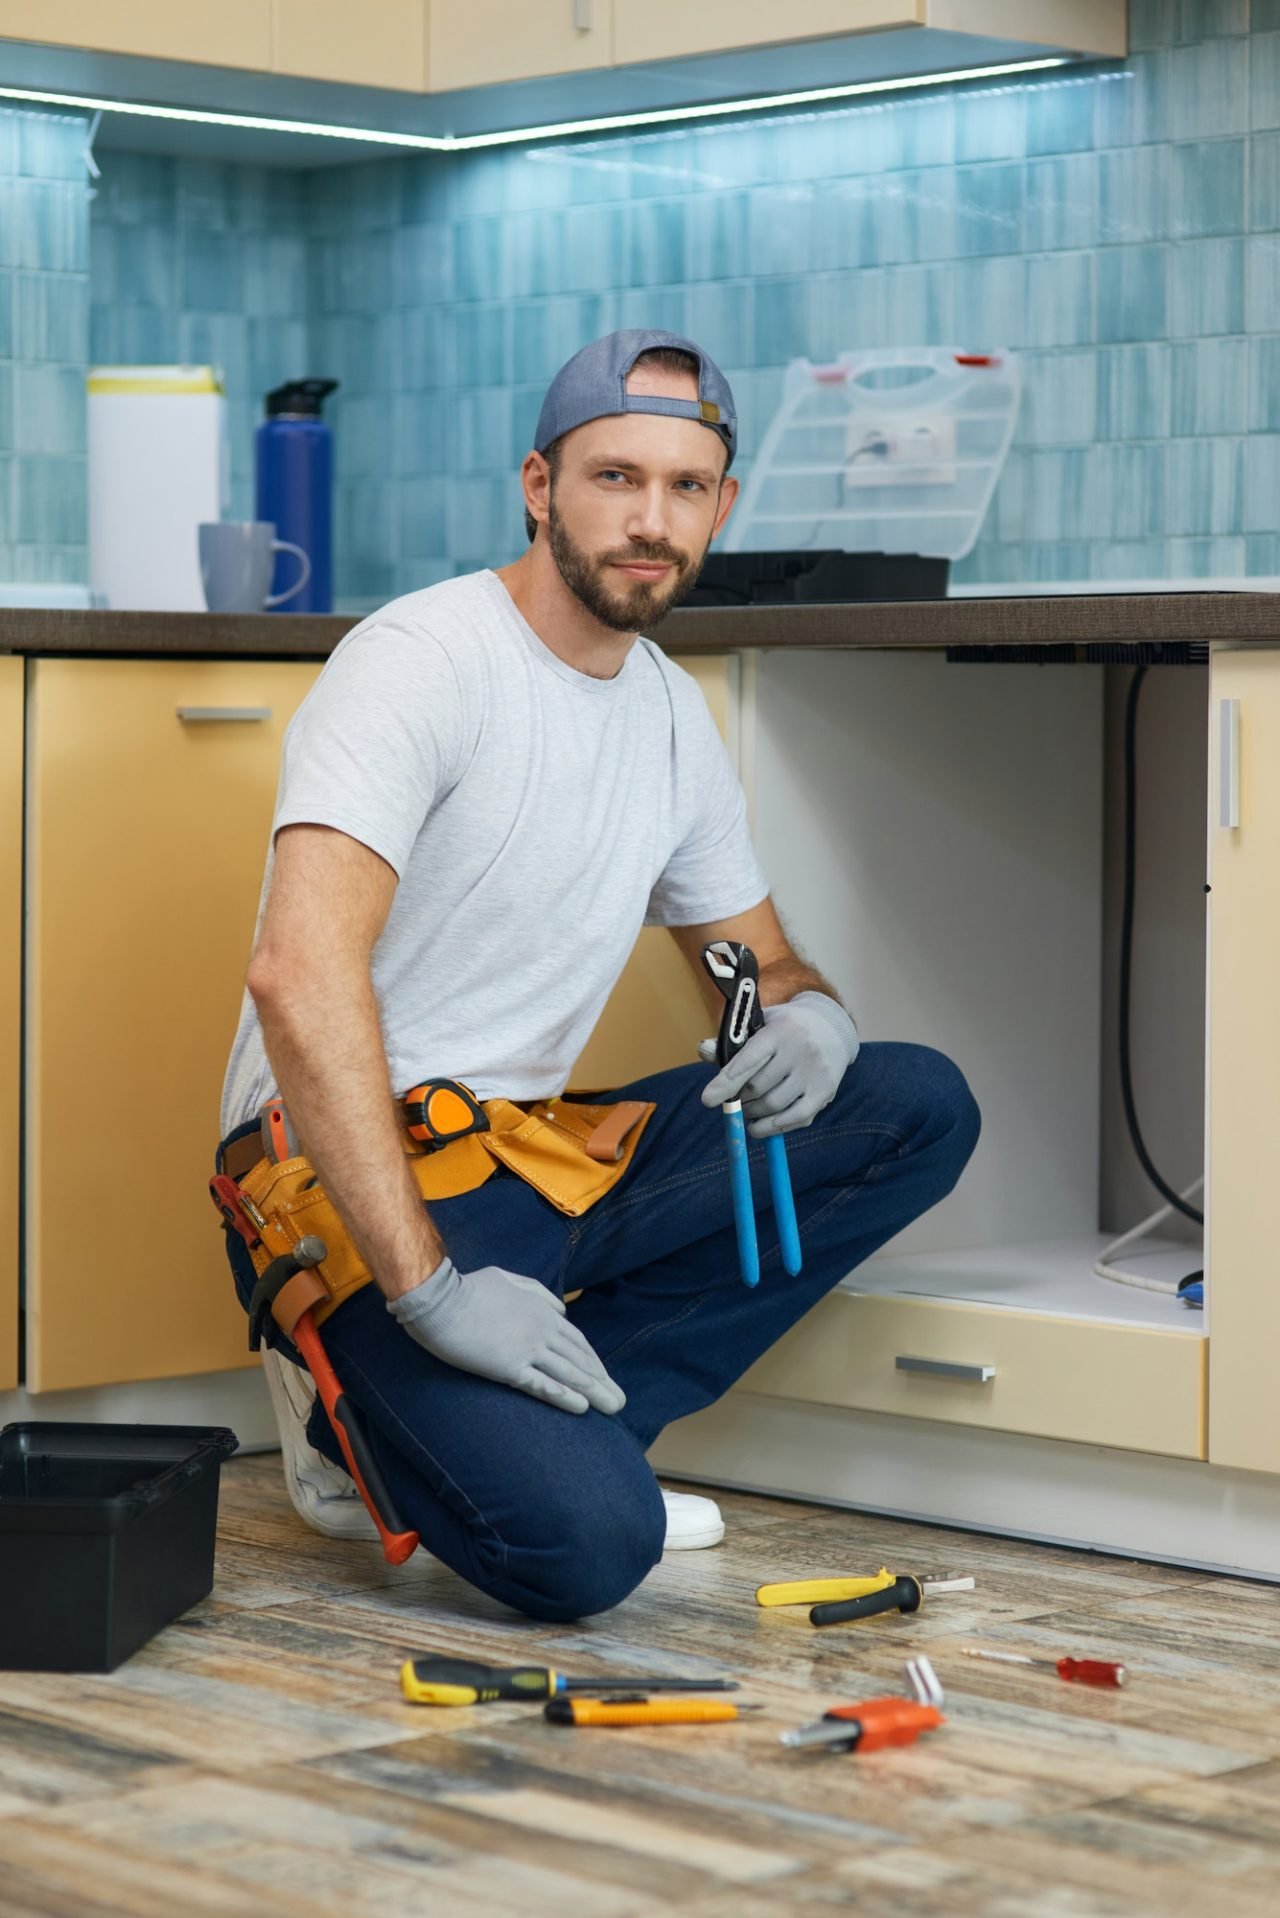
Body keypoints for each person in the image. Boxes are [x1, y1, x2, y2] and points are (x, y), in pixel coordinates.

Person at [214, 328, 980, 1621]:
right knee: (589, 1551)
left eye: (686, 487)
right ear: (539, 486)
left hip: (529, 1155)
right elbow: (298, 973)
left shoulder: (670, 713)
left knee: (913, 1104)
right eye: (616, 477)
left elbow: (761, 960)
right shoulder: (422, 662)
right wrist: (431, 1292)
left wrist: (817, 1021)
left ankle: (548, 1426)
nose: (650, 521)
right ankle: (385, 1423)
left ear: (722, 508)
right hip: (341, 1181)